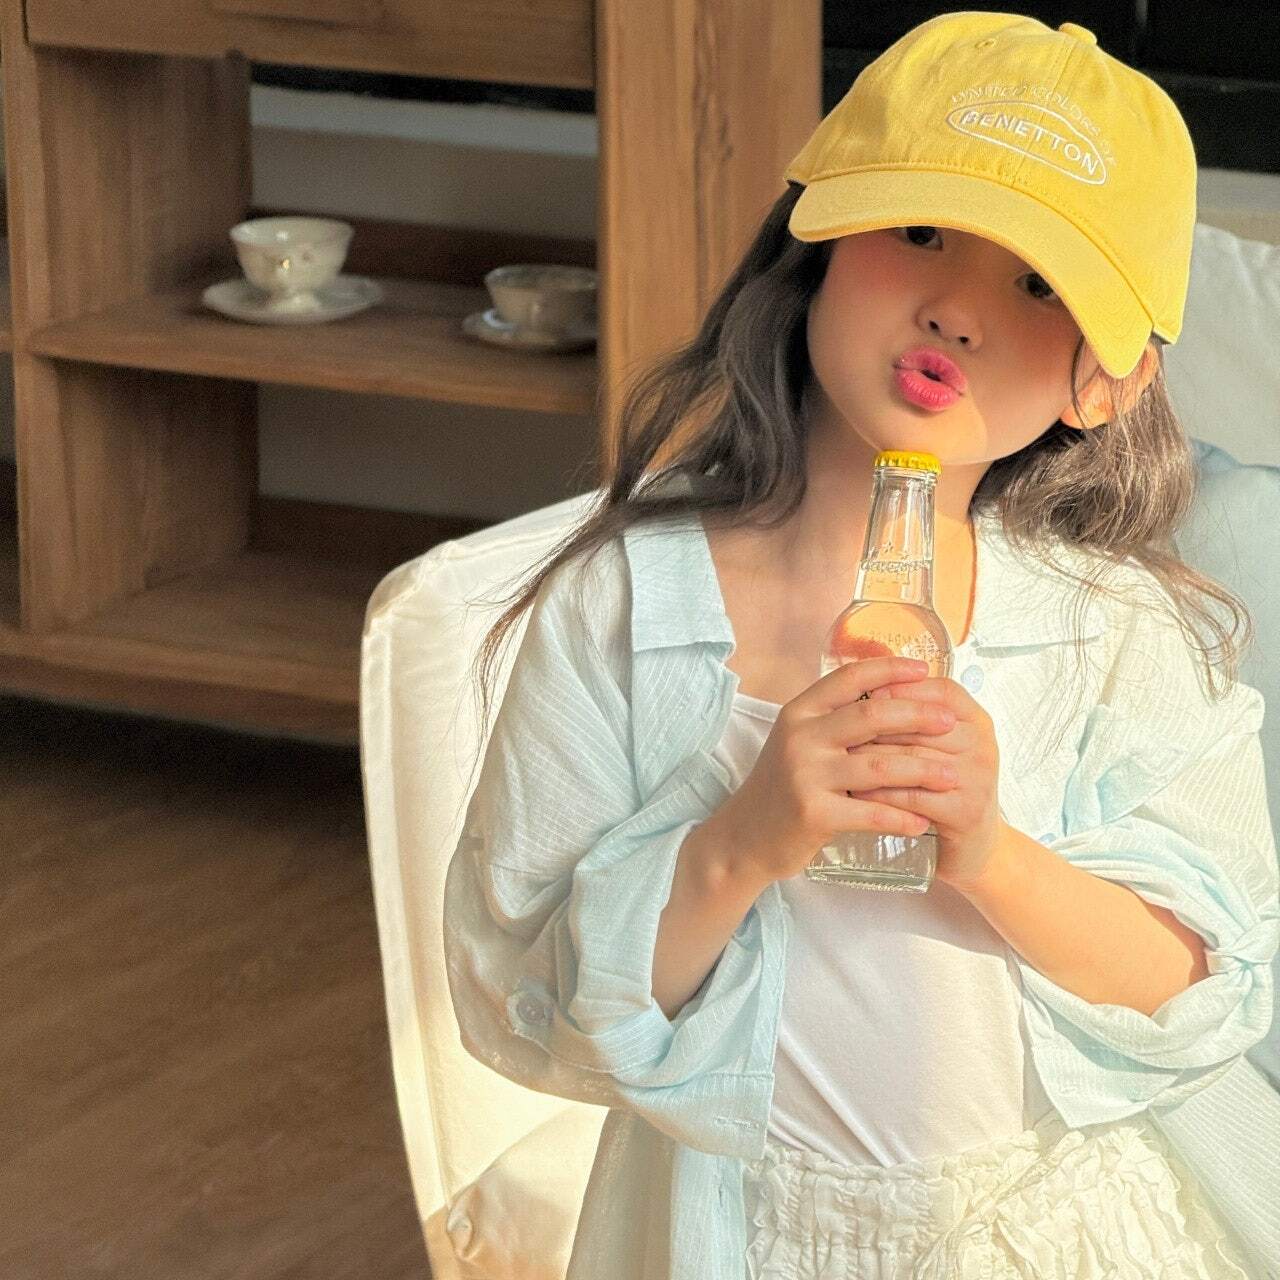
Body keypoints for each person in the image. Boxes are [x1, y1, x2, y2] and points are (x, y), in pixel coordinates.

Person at [443, 11, 1280, 1279]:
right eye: (920, 232)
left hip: (1065, 1236)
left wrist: (988, 850)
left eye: (1038, 284)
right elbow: (528, 1000)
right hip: (747, 1239)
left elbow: (1205, 989)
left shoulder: (1115, 630)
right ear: (818, 240)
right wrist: (739, 840)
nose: (955, 310)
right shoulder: (620, 606)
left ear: (1105, 380)